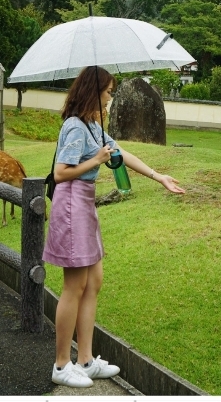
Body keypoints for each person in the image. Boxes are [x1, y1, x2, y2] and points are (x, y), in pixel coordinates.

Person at [44, 66, 186, 388]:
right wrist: (95, 160)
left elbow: (122, 152)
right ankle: (62, 364)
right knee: (74, 285)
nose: (111, 97)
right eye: (108, 91)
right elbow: (61, 173)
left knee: (94, 281)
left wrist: (158, 176)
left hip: (85, 204)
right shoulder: (75, 126)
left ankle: (86, 360)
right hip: (70, 203)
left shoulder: (94, 125)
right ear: (93, 92)